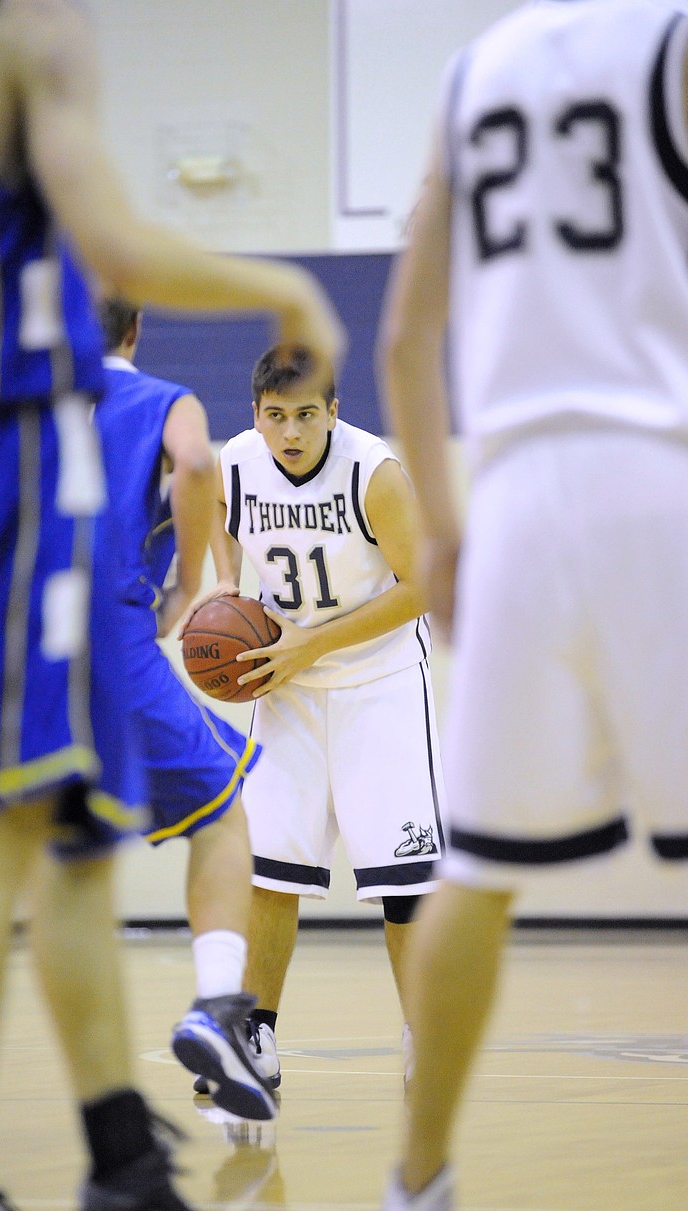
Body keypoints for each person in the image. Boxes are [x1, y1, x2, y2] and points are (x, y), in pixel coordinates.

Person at [0, 4, 341, 1211]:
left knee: (78, 830)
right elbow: (107, 235)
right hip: (4, 444)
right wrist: (281, 284)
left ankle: (123, 1180)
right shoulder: (24, 28)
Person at [368, 2, 688, 1211]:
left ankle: (413, 1199)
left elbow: (403, 335)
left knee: (479, 863)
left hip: (520, 489)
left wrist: (441, 526)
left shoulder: (473, 70)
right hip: (672, 468)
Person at [186, 343, 446, 1096]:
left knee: (405, 884)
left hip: (381, 681)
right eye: (276, 417)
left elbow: (424, 583)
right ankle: (254, 1039)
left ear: (333, 411)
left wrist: (313, 644)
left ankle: (425, 1034)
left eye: (306, 415)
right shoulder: (238, 461)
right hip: (287, 683)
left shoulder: (374, 473)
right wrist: (228, 587)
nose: (291, 432)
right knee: (272, 873)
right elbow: (223, 517)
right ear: (257, 415)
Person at [94, 298, 274, 1121]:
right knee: (224, 811)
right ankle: (217, 1006)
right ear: (136, 329)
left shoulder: (4, 397)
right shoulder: (159, 400)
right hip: (110, 641)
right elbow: (197, 465)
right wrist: (190, 584)